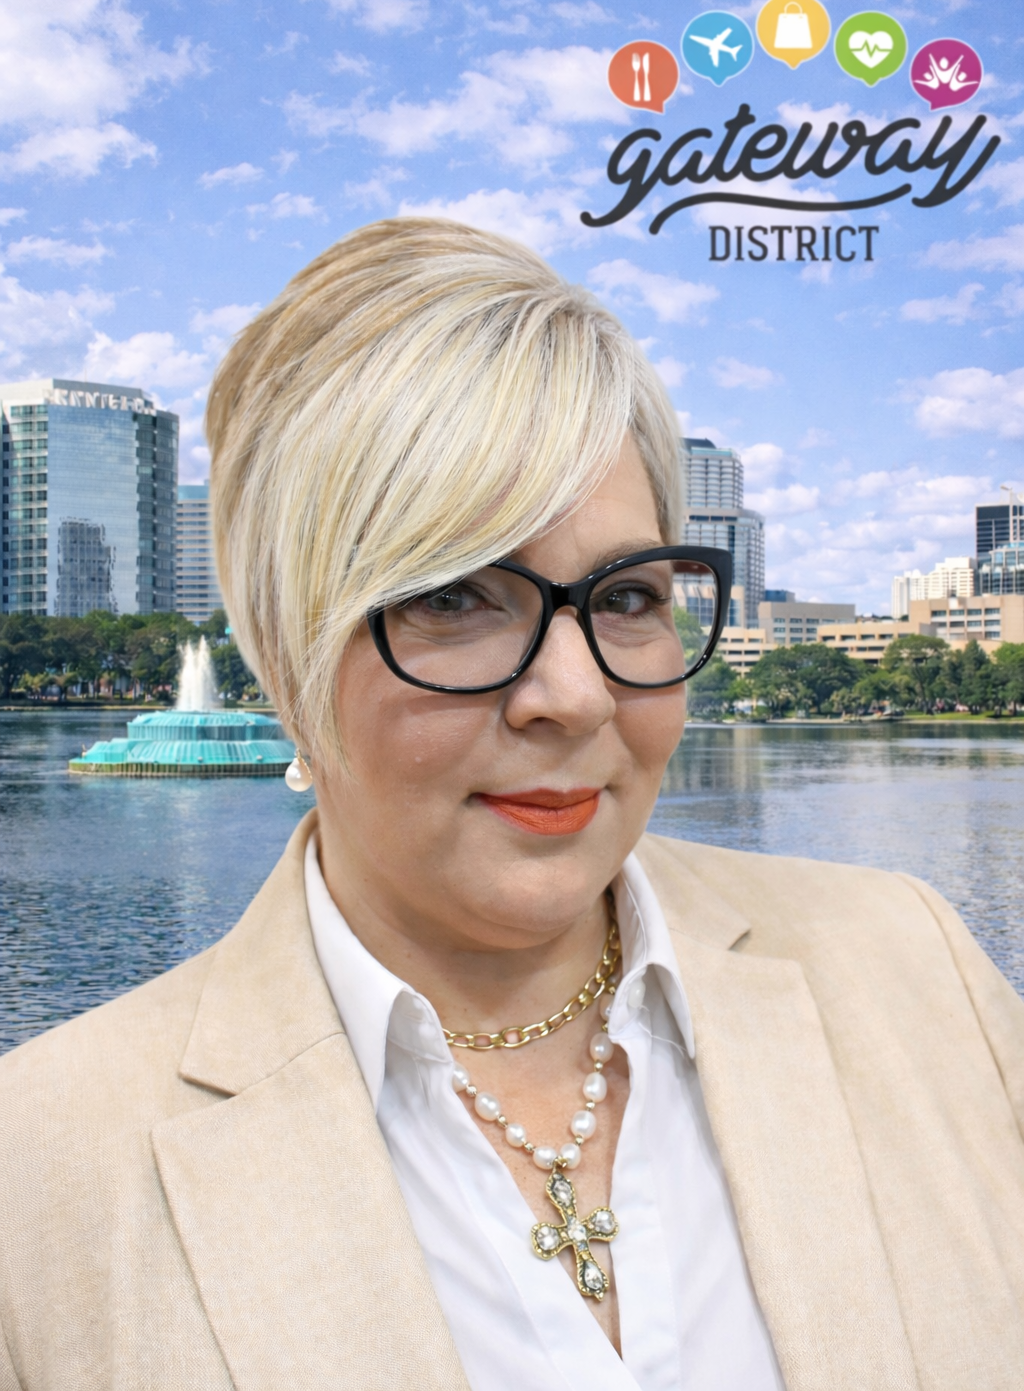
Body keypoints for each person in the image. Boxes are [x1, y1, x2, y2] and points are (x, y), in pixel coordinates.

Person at [1, 219, 1023, 1391]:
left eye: (628, 595)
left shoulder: (914, 972)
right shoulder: (41, 1170)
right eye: (453, 597)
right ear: (282, 654)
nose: (576, 696)